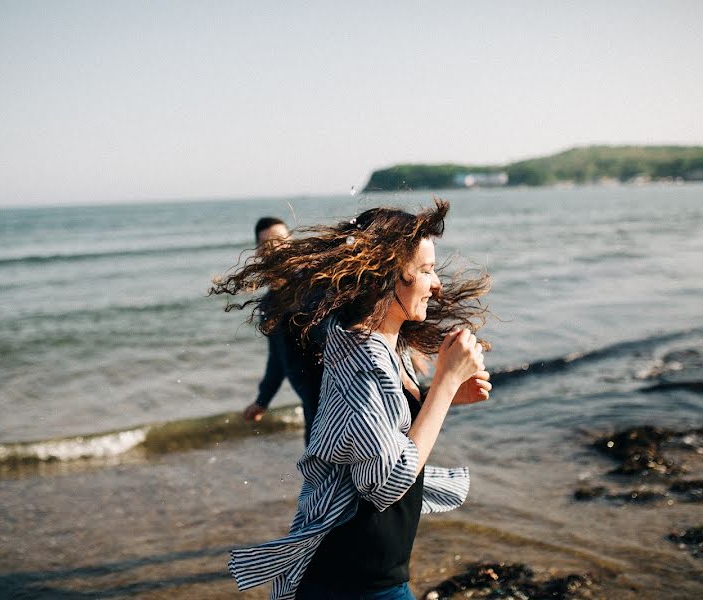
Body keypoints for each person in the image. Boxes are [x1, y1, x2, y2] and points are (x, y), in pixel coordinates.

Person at [210, 199, 492, 599]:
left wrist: (438, 396)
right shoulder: (362, 358)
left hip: (370, 575)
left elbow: (384, 423)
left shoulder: (385, 347)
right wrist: (445, 384)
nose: (437, 283)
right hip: (352, 582)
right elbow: (384, 482)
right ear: (387, 276)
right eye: (427, 270)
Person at [243, 217, 324, 445]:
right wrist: (262, 400)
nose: (276, 248)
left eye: (280, 240)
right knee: (317, 475)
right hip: (312, 406)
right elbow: (277, 358)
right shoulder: (269, 305)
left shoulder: (316, 284)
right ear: (259, 252)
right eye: (267, 244)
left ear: (293, 243)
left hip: (341, 399)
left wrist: (401, 347)